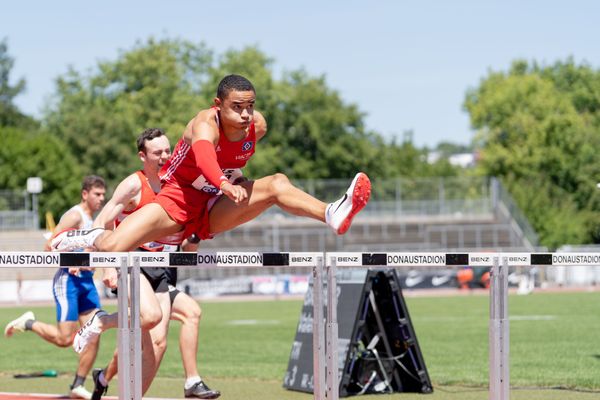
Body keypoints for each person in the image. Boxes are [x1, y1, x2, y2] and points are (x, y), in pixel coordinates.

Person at [52, 74, 371, 392]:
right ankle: (80, 238)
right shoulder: (204, 123)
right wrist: (222, 183)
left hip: (212, 207)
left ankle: (331, 213)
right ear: (219, 105)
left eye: (250, 106)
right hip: (178, 201)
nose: (245, 115)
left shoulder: (256, 127)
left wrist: (232, 184)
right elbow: (205, 156)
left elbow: (235, 162)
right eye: (237, 107)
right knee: (112, 245)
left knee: (276, 183)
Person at [82, 128, 219, 399]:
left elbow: (188, 243)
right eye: (158, 153)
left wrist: (194, 238)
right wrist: (107, 265)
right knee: (149, 322)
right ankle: (104, 325)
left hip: (163, 267)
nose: (165, 156)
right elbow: (102, 220)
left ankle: (116, 381)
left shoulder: (179, 182)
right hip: (133, 264)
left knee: (157, 344)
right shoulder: (135, 184)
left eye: (168, 150)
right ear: (142, 156)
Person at [4, 175, 107, 399]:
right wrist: (70, 262)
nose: (101, 199)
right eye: (97, 194)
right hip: (67, 282)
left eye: (103, 195)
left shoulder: (95, 220)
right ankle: (28, 322)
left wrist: (90, 260)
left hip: (87, 283)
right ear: (85, 194)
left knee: (95, 331)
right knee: (65, 339)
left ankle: (77, 385)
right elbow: (49, 247)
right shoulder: (74, 215)